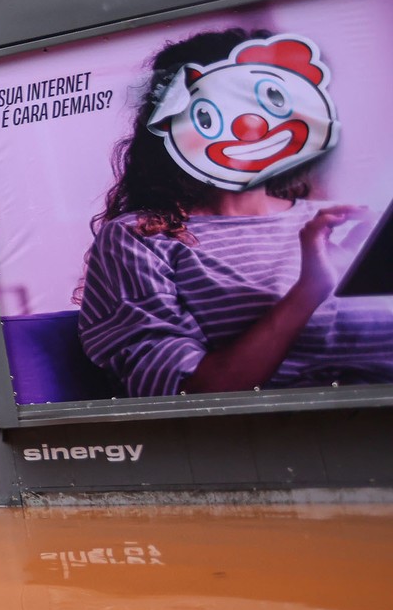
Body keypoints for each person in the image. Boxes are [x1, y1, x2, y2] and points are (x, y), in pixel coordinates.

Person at [78, 27, 393, 396]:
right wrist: (309, 290)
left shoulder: (345, 222)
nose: (251, 126)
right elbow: (182, 396)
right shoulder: (142, 237)